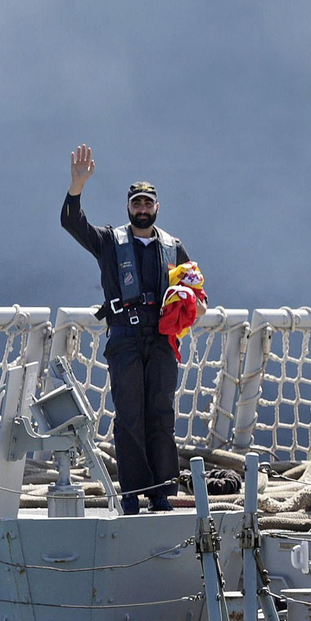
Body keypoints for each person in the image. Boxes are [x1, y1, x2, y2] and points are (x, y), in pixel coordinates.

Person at [61, 144, 193, 515]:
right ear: (128, 207)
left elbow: (192, 288)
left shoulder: (173, 247)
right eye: (136, 202)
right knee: (130, 414)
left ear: (157, 208)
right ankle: (132, 491)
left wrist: (191, 302)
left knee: (161, 412)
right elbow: (73, 223)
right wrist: (77, 186)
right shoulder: (108, 241)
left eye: (148, 203)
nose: (142, 208)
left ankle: (162, 491)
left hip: (163, 340)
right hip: (125, 337)